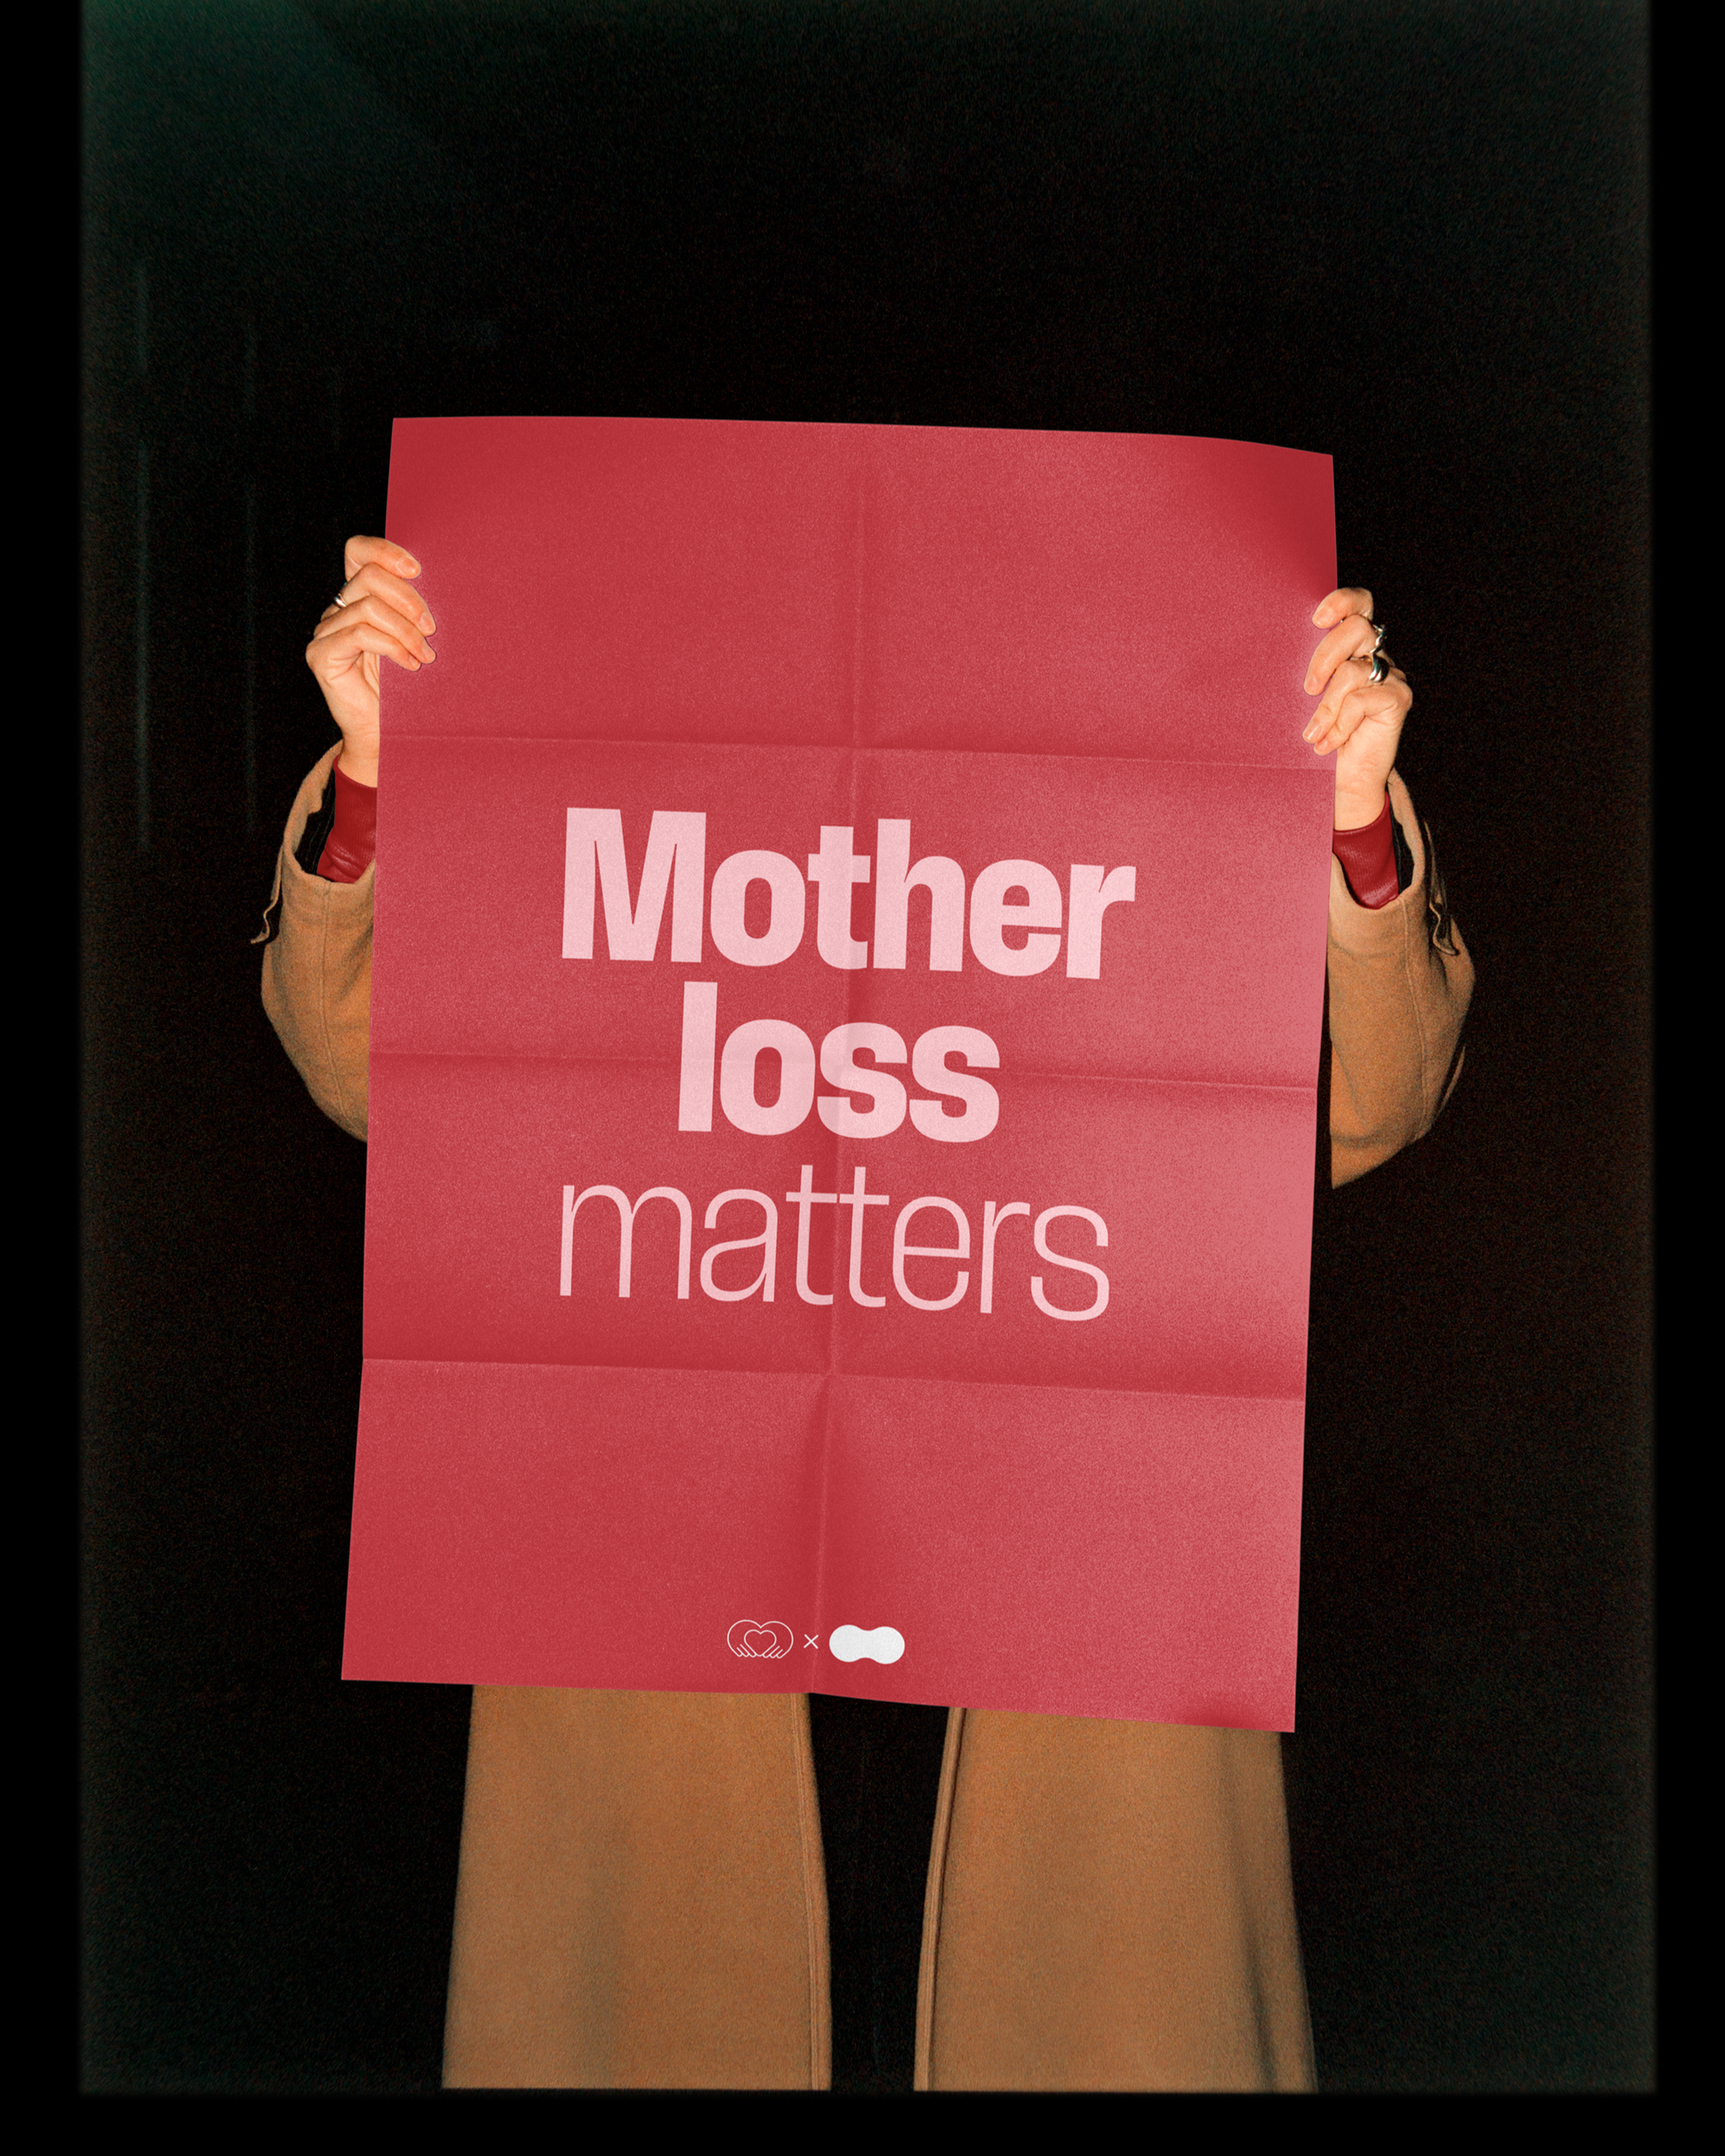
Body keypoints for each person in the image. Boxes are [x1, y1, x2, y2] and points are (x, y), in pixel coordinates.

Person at [259, 534, 1473, 2091]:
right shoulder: (626, 779)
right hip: (663, 1626)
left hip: (1071, 1651)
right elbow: (373, 1069)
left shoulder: (1120, 792)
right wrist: (383, 778)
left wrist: (1347, 826)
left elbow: (1366, 1095)